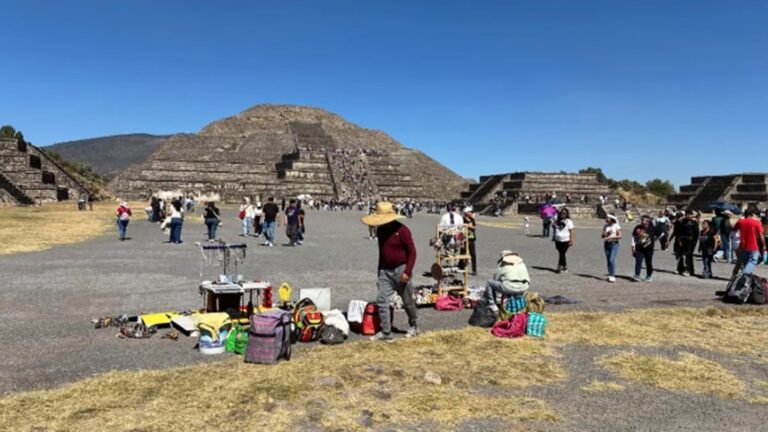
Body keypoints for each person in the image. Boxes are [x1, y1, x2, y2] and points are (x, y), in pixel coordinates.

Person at [361, 202, 418, 342]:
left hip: (401, 270)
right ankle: (386, 332)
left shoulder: (403, 230)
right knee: (382, 300)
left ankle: (414, 325)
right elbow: (382, 252)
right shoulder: (380, 231)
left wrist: (407, 271)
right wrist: (379, 271)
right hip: (385, 270)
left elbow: (412, 252)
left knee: (407, 301)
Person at [732, 208, 766, 275]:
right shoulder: (756, 223)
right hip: (753, 246)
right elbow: (761, 235)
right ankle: (744, 274)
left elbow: (734, 229)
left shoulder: (740, 222)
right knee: (753, 261)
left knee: (746, 262)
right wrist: (764, 245)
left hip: (742, 246)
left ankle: (745, 277)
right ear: (752, 214)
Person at [674, 210, 699, 276]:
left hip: (690, 240)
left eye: (690, 214)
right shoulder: (682, 222)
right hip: (683, 240)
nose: (688, 216)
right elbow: (679, 231)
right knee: (681, 255)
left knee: (689, 256)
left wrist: (694, 243)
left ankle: (689, 270)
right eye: (687, 214)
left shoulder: (694, 222)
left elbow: (696, 234)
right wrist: (679, 240)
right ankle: (681, 269)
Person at [631, 215, 656, 282]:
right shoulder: (637, 227)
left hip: (649, 249)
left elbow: (657, 234)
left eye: (643, 220)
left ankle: (649, 276)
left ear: (648, 221)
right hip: (639, 248)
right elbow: (633, 237)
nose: (641, 221)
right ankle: (637, 275)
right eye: (641, 220)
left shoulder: (652, 228)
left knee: (648, 262)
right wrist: (633, 247)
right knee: (638, 261)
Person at [551, 208, 575, 273]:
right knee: (561, 253)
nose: (562, 214)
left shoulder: (569, 221)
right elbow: (555, 229)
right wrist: (553, 225)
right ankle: (564, 266)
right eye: (561, 213)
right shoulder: (557, 221)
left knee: (562, 253)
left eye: (564, 213)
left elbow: (572, 231)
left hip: (566, 240)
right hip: (558, 240)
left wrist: (571, 240)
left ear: (567, 214)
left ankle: (560, 266)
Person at [602, 214, 622, 283]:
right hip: (607, 244)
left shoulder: (616, 226)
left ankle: (613, 275)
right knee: (608, 260)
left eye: (608, 218)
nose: (606, 219)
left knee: (611, 259)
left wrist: (611, 237)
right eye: (606, 218)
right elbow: (602, 235)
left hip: (614, 244)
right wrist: (605, 234)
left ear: (612, 219)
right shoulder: (605, 226)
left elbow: (620, 236)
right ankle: (610, 275)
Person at [462, 207, 477, 275]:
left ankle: (474, 270)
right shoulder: (463, 219)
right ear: (466, 213)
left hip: (471, 239)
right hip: (464, 239)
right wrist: (469, 226)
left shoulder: (472, 219)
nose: (471, 213)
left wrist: (468, 226)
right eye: (470, 212)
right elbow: (462, 227)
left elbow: (474, 227)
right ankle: (461, 266)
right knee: (463, 253)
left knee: (473, 255)